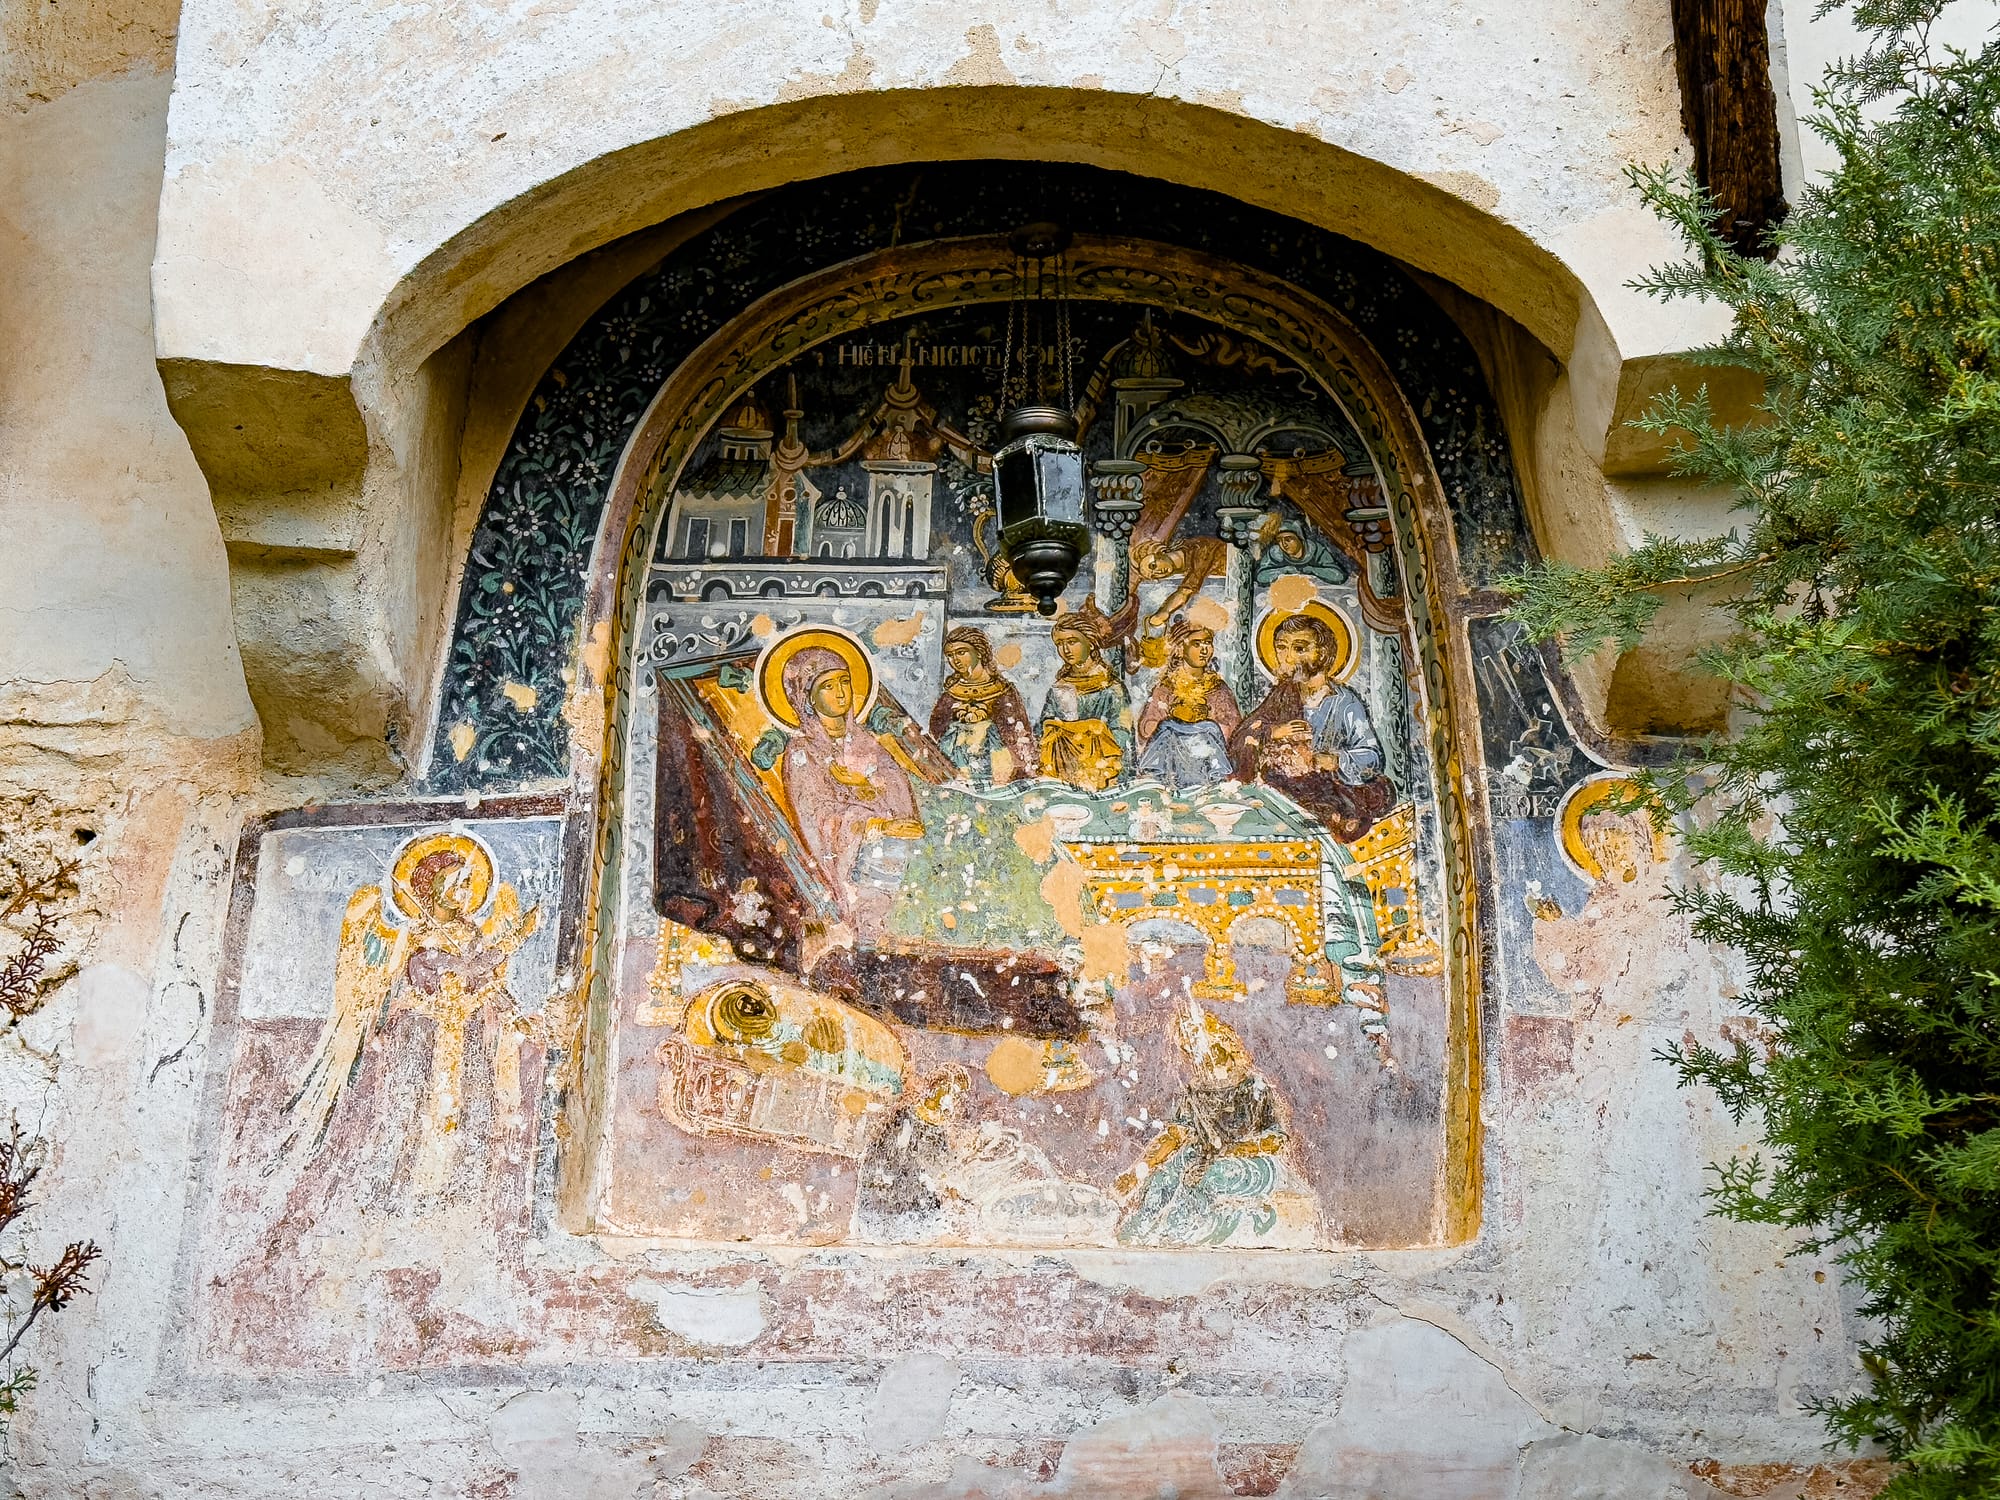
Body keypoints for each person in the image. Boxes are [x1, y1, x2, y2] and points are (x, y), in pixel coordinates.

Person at [1115, 1005, 1308, 1247]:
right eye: (1194, 1051)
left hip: (1255, 1164)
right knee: (1165, 1176)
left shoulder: (1253, 1087)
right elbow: (1174, 1135)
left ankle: (1179, 1235)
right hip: (1207, 1157)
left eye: (1210, 1051)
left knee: (1205, 1177)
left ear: (1225, 1048)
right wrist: (1137, 1173)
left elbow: (1276, 1140)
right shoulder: (1195, 1091)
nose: (1203, 1058)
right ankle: (1134, 1233)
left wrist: (1234, 1150)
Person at [778, 645, 924, 934]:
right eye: (828, 686)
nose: (841, 692)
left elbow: (898, 791)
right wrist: (875, 825)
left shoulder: (868, 744)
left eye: (845, 682)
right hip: (851, 858)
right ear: (808, 697)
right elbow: (816, 815)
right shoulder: (802, 753)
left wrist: (865, 786)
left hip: (893, 842)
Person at [1230, 614, 1395, 843]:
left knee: (1364, 801)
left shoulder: (1344, 703)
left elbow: (1372, 756)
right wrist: (1273, 732)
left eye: (1299, 648)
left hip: (1327, 786)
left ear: (1323, 653)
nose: (1288, 657)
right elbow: (1245, 733)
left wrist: (1335, 760)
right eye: (1281, 648)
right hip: (1286, 784)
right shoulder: (1283, 694)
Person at [1134, 620, 1241, 792]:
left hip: (1206, 767)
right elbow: (1146, 729)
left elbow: (1234, 730)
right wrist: (1173, 716)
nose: (1204, 650)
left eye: (1208, 643)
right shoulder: (1166, 687)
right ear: (1179, 648)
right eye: (1196, 644)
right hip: (1171, 768)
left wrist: (1205, 719)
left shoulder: (1219, 688)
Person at [1037, 605, 1135, 792]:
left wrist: (1092, 732)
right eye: (1059, 643)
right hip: (1064, 766)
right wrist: (1058, 730)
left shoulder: (1111, 687)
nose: (1065, 649)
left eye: (1072, 641)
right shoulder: (1060, 687)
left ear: (1090, 643)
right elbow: (1044, 726)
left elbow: (1122, 733)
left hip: (1100, 770)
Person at [928, 626, 1037, 788]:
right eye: (950, 655)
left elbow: (1017, 733)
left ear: (979, 652)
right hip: (957, 769)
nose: (955, 660)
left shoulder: (1002, 690)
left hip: (996, 769)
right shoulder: (951, 694)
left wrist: (984, 729)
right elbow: (936, 729)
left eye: (961, 652)